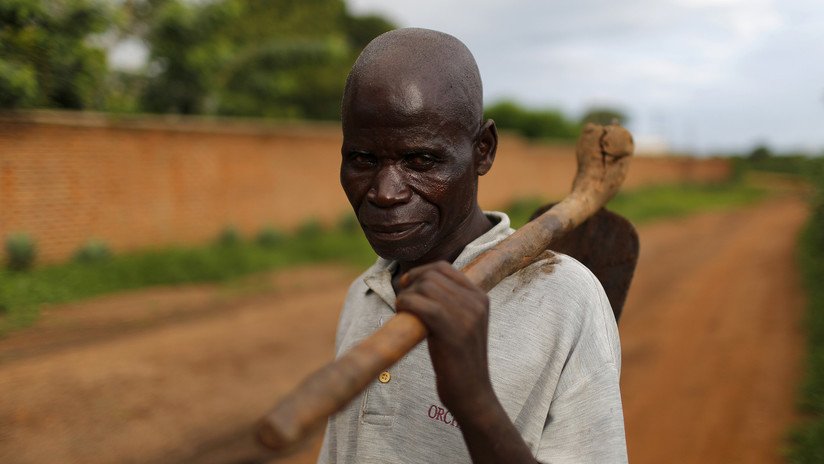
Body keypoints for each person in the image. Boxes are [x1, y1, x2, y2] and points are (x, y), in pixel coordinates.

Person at [318, 28, 627, 463]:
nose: (385, 192)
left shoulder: (565, 300)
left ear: (482, 150)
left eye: (421, 160)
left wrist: (473, 398)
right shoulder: (366, 294)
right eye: (363, 159)